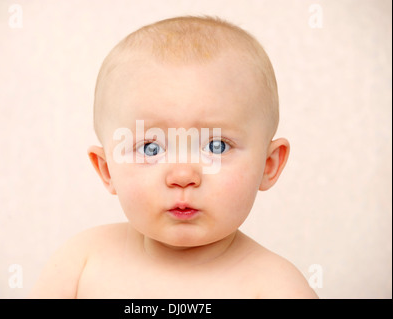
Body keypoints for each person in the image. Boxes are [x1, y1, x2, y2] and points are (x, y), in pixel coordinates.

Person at [30, 16, 318, 298]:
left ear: (269, 165)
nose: (182, 176)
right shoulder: (80, 262)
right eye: (150, 148)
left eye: (216, 146)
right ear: (107, 170)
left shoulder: (276, 287)